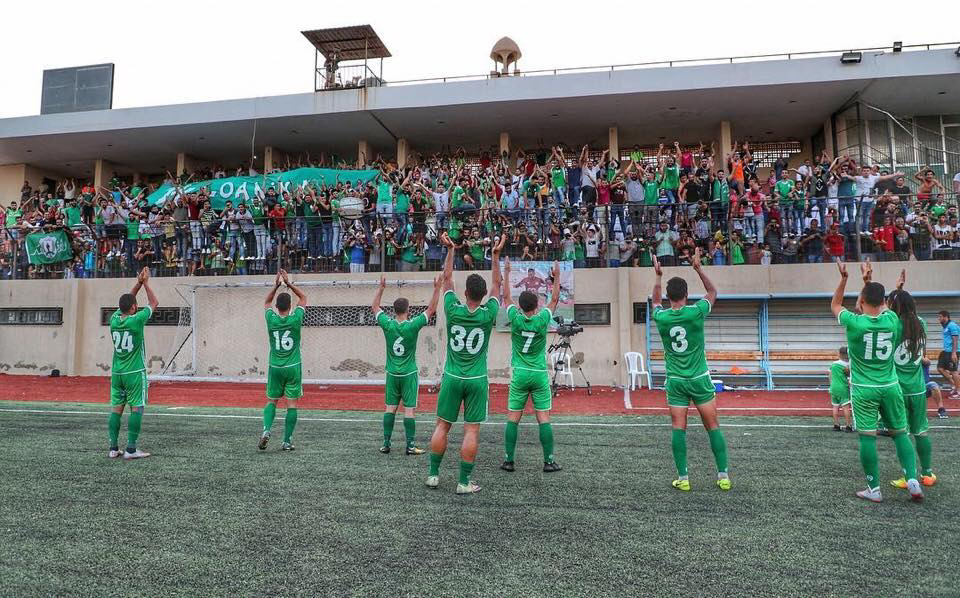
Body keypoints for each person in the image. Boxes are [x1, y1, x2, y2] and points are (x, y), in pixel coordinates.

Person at [830, 261, 922, 502]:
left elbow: (835, 304)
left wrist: (844, 277)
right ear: (884, 302)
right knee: (901, 433)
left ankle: (874, 489)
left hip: (864, 389)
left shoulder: (854, 322)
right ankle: (912, 479)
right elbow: (883, 303)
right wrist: (869, 282)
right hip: (891, 386)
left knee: (867, 437)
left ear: (861, 302)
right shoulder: (892, 320)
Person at [426, 232, 505, 494]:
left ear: (466, 293)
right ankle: (463, 482)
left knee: (442, 425)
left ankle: (434, 475)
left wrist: (450, 250)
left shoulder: (452, 309)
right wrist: (495, 255)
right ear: (482, 296)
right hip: (476, 379)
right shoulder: (488, 313)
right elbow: (498, 285)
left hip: (451, 375)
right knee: (471, 430)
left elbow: (447, 279)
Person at [651, 247, 730, 492]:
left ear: (668, 295)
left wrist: (657, 276)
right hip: (699, 378)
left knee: (678, 428)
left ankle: (683, 478)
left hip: (675, 380)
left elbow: (654, 303)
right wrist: (698, 268)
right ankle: (723, 476)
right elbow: (713, 292)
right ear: (686, 294)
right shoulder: (696, 312)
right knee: (713, 426)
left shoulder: (662, 318)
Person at [873, 266, 937, 489]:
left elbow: (885, 310)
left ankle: (908, 475)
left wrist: (895, 291)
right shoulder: (922, 324)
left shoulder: (893, 325)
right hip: (918, 387)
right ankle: (928, 474)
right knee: (921, 430)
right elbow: (901, 307)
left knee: (901, 433)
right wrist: (900, 290)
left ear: (894, 306)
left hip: (898, 389)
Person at [500, 259, 562, 473]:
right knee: (543, 418)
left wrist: (506, 272)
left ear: (520, 306)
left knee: (513, 418)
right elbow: (554, 299)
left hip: (519, 374)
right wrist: (557, 275)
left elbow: (506, 297)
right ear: (537, 306)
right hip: (538, 374)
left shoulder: (516, 319)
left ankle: (509, 461)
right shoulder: (542, 319)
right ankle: (549, 461)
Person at [372, 273, 443, 455]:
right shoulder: (413, 325)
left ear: (394, 311)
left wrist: (381, 289)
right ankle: (410, 446)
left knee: (390, 408)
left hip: (392, 373)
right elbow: (431, 309)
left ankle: (386, 444)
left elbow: (374, 307)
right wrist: (437, 288)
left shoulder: (388, 324)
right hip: (409, 373)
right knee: (409, 410)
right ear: (408, 310)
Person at [106, 267, 159, 460]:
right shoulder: (137, 320)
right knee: (137, 408)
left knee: (116, 409)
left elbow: (128, 300)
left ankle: (113, 448)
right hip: (135, 372)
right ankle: (130, 449)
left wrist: (137, 282)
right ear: (134, 307)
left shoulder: (113, 320)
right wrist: (145, 283)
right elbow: (154, 302)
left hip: (117, 372)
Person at [258, 269, 307, 451]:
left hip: (275, 366)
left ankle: (266, 430)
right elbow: (303, 298)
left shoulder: (271, 318)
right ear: (290, 307)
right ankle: (286, 441)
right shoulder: (295, 318)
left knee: (272, 400)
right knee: (292, 404)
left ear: (277, 307)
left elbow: (266, 301)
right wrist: (289, 284)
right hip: (293, 366)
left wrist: (277, 285)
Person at [828, 347, 853, 432]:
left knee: (835, 407)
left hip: (833, 387)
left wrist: (831, 385)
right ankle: (848, 426)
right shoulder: (847, 365)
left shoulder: (833, 364)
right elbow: (849, 376)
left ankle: (836, 425)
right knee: (846, 407)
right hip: (843, 388)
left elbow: (830, 375)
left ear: (839, 354)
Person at [936, 310, 960, 399]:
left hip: (952, 351)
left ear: (946, 317)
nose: (939, 319)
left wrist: (954, 353)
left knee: (954, 371)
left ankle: (958, 391)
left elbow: (955, 339)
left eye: (940, 317)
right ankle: (953, 384)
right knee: (940, 368)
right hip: (946, 351)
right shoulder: (946, 326)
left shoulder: (952, 325)